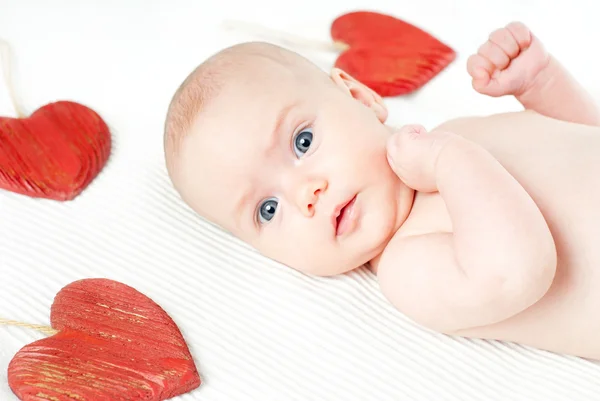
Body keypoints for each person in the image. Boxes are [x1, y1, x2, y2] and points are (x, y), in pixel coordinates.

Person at [163, 21, 600, 359]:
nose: (306, 195)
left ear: (359, 95)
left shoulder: (452, 134)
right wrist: (451, 161)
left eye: (303, 142)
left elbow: (578, 141)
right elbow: (518, 272)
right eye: (268, 209)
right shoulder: (406, 266)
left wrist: (542, 86)